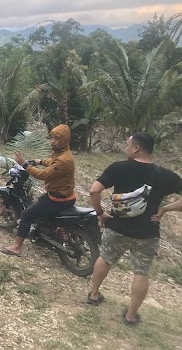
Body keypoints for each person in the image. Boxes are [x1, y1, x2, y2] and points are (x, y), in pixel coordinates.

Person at [87, 133, 182, 325]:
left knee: (105, 259)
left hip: (117, 227)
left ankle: (94, 294)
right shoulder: (164, 175)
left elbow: (94, 190)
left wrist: (100, 213)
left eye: (128, 145)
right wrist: (164, 209)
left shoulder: (118, 168)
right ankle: (130, 315)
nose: (126, 148)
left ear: (136, 148)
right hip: (148, 233)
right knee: (141, 272)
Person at [0, 124, 76, 257]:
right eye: (51, 138)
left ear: (63, 140)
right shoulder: (63, 153)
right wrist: (39, 161)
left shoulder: (63, 160)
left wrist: (25, 165)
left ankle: (16, 247)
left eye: (56, 139)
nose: (52, 141)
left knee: (27, 215)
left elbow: (43, 175)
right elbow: (52, 161)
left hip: (57, 199)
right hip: (67, 196)